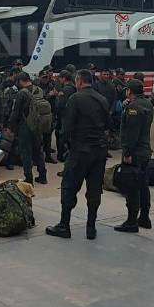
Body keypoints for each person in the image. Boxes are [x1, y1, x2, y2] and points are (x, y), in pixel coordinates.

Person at [47, 70, 109, 240]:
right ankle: (91, 227)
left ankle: (64, 225)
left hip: (80, 150)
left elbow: (67, 127)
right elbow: (108, 124)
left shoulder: (76, 98)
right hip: (99, 151)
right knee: (95, 190)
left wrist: (66, 146)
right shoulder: (102, 99)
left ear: (79, 81)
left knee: (69, 187)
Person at [114, 79, 154, 233]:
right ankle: (144, 217)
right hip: (144, 151)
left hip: (135, 153)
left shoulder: (134, 107)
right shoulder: (147, 103)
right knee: (143, 185)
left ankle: (131, 221)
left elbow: (132, 133)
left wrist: (128, 152)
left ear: (129, 91)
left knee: (132, 187)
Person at [8, 72, 48, 185]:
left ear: (21, 81)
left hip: (25, 126)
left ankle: (29, 178)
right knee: (38, 152)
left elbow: (16, 112)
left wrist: (11, 126)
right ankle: (43, 175)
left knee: (26, 153)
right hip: (38, 125)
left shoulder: (22, 93)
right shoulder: (39, 90)